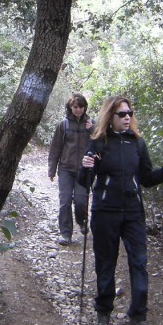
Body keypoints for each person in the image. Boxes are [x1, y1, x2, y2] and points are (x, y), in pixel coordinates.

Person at [79, 95, 163, 325]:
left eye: (129, 113)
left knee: (139, 262)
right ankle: (103, 313)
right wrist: (85, 167)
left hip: (133, 211)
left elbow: (145, 178)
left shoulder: (137, 143)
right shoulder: (99, 142)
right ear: (109, 116)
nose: (127, 118)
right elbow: (84, 181)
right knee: (106, 263)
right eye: (122, 114)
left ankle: (139, 317)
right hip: (105, 211)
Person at [47, 93, 93, 246]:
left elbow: (100, 143)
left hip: (84, 170)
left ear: (85, 107)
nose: (78, 110)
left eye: (81, 107)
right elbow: (55, 148)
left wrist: (92, 129)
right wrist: (51, 169)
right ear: (70, 108)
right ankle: (65, 233)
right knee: (65, 201)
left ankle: (82, 221)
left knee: (81, 201)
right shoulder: (63, 125)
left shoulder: (91, 124)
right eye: (75, 107)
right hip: (65, 169)